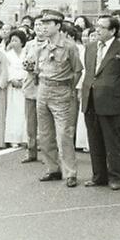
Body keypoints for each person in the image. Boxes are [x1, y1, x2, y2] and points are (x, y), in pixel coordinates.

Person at [80, 15, 120, 190]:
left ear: (112, 31)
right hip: (90, 99)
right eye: (96, 26)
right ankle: (99, 176)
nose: (97, 30)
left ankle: (116, 177)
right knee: (95, 140)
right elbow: (90, 71)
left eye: (102, 27)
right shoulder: (90, 48)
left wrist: (116, 90)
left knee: (113, 141)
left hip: (111, 100)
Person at [34, 10, 83, 188]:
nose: (44, 27)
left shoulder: (69, 46)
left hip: (61, 90)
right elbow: (37, 70)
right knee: (45, 134)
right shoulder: (41, 47)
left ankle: (71, 172)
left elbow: (78, 70)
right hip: (43, 90)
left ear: (58, 26)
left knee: (64, 134)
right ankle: (53, 169)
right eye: (43, 23)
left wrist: (69, 89)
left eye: (48, 23)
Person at [20, 16, 44, 163]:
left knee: (45, 122)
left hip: (44, 85)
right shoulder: (29, 44)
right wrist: (28, 66)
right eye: (36, 25)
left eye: (41, 25)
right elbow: (24, 61)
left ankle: (47, 151)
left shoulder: (50, 43)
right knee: (31, 122)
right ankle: (31, 151)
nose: (39, 28)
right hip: (30, 85)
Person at [4, 30, 28, 146]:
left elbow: (29, 69)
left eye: (16, 40)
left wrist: (23, 80)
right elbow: (6, 70)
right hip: (12, 86)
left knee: (24, 111)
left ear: (22, 42)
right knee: (13, 112)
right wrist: (12, 79)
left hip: (25, 85)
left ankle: (24, 138)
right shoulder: (8, 55)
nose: (13, 43)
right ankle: (13, 138)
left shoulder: (27, 53)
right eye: (12, 40)